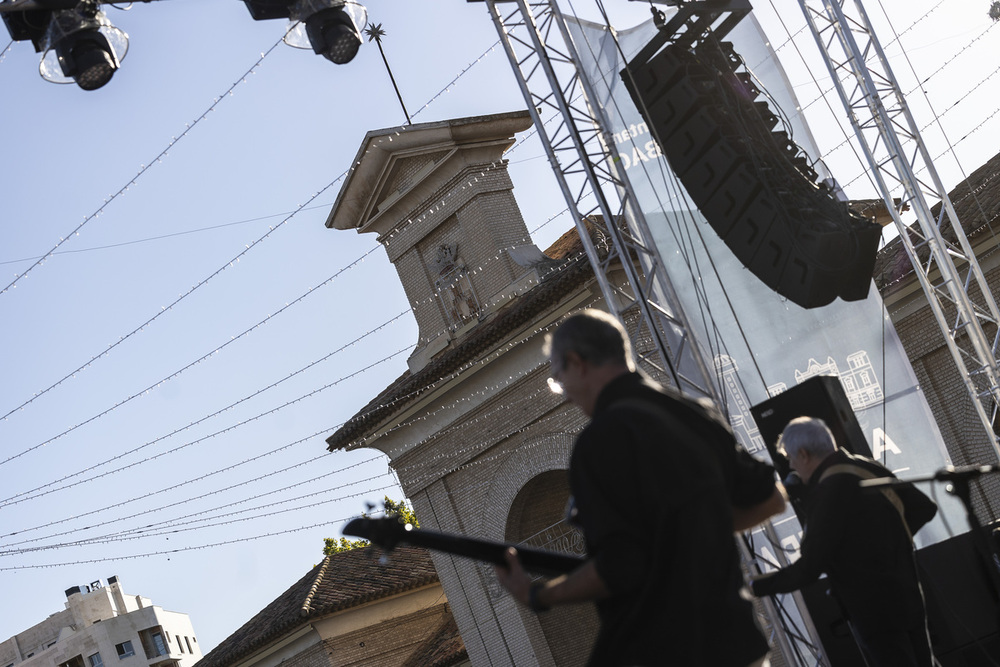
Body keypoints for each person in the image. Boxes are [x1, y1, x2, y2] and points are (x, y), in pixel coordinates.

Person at [495, 309, 786, 666]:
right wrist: (694, 528)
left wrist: (537, 593)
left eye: (558, 377)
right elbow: (772, 499)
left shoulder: (600, 441)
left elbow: (620, 566)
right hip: (739, 644)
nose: (565, 394)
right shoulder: (695, 412)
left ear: (577, 362)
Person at [750, 416, 938, 667]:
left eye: (792, 459)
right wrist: (886, 546)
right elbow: (924, 508)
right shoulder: (865, 466)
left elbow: (807, 570)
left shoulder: (828, 493)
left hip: (872, 610)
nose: (793, 467)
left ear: (804, 454)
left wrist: (751, 586)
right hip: (908, 594)